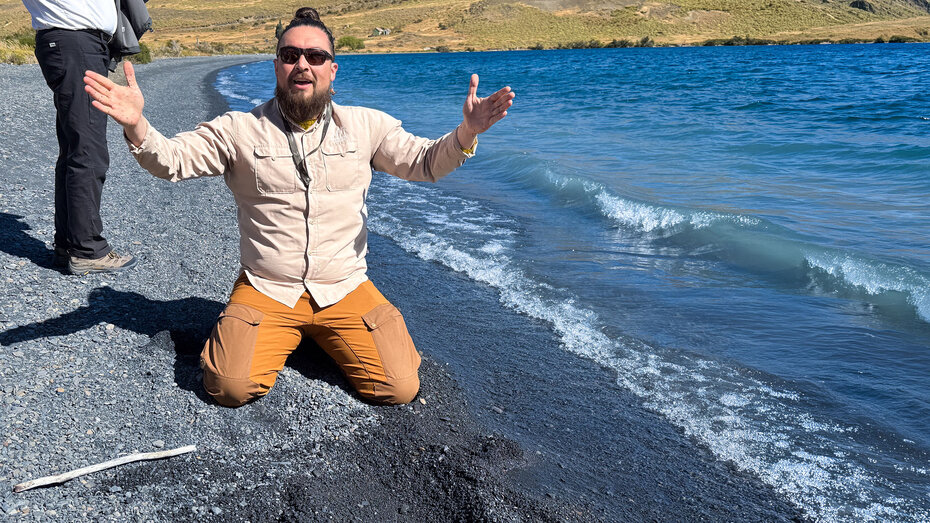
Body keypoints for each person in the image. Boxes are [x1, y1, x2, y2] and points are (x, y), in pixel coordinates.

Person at [82, 7, 515, 407]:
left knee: (399, 387)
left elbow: (423, 162)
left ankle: (316, 335)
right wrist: (138, 124)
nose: (302, 64)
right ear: (277, 66)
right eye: (290, 55)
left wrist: (465, 133)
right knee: (228, 387)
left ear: (332, 70)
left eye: (315, 56)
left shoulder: (368, 126)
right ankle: (277, 330)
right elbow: (172, 160)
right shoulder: (239, 129)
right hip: (268, 286)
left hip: (344, 286)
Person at [23, 0, 137, 274]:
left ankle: (69, 244)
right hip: (75, 44)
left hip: (75, 44)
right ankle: (87, 249)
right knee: (87, 149)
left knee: (76, 148)